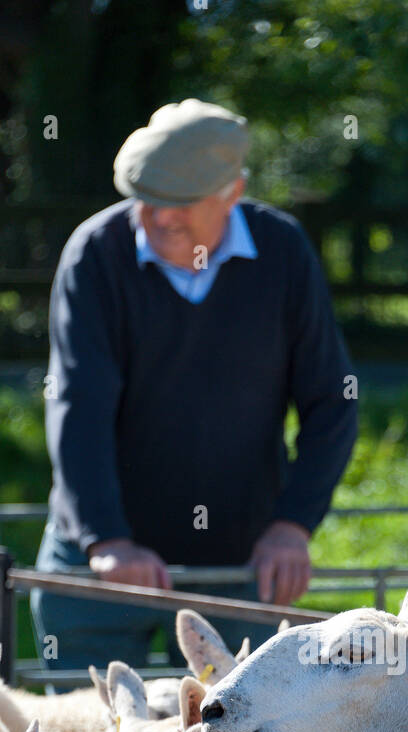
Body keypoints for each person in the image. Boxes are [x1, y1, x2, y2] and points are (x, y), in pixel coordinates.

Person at [31, 98, 357, 669]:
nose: (160, 217)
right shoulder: (95, 256)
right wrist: (107, 538)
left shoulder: (282, 252)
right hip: (104, 553)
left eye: (180, 203)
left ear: (234, 192)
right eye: (146, 200)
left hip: (238, 557)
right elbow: (77, 404)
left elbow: (332, 399)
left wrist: (292, 525)